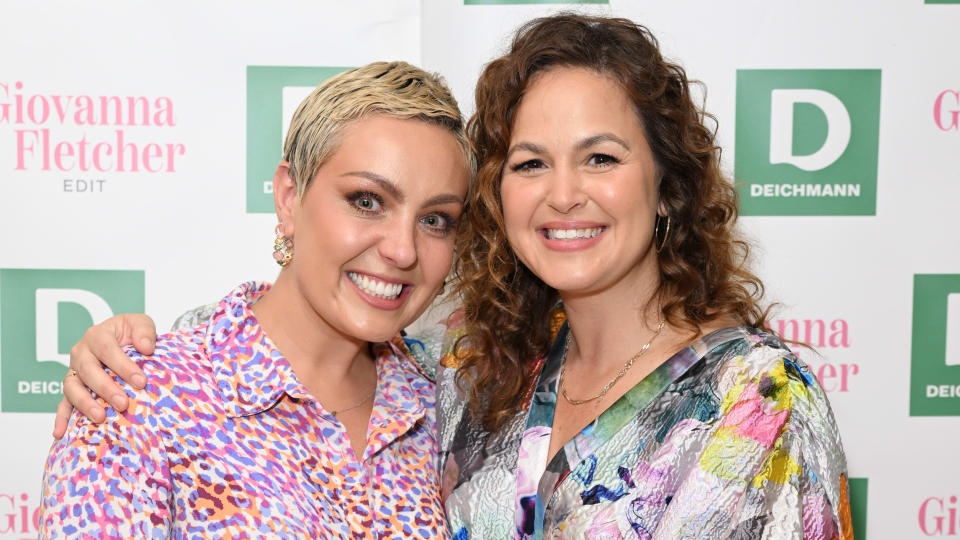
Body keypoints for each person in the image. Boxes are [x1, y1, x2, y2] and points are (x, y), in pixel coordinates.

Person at [54, 15, 852, 540]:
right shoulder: (481, 376)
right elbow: (271, 339)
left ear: (666, 184)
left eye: (601, 158)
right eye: (532, 162)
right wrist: (129, 351)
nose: (564, 193)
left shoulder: (760, 401)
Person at [40, 61, 471, 539]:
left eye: (435, 220)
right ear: (289, 197)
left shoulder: (446, 405)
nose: (403, 249)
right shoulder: (137, 398)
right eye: (367, 201)